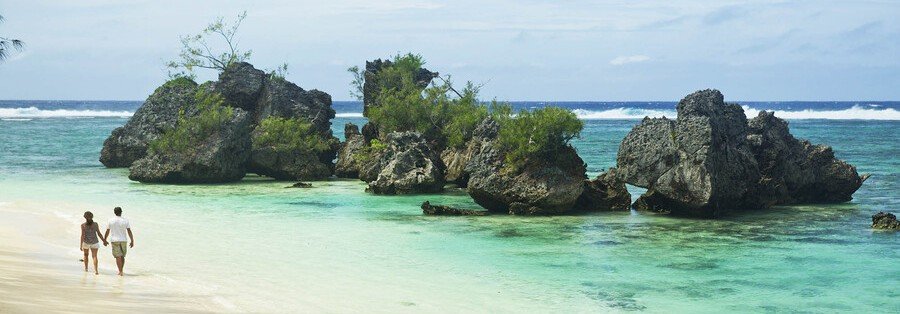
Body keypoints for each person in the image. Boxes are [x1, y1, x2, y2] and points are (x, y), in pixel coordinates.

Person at [104, 207, 134, 276]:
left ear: (114, 212)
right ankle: (121, 271)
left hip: (114, 240)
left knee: (118, 256)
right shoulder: (125, 220)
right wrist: (132, 240)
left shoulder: (110, 220)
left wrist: (104, 240)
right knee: (122, 256)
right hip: (123, 240)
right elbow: (129, 231)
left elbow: (107, 231)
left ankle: (120, 271)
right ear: (121, 212)